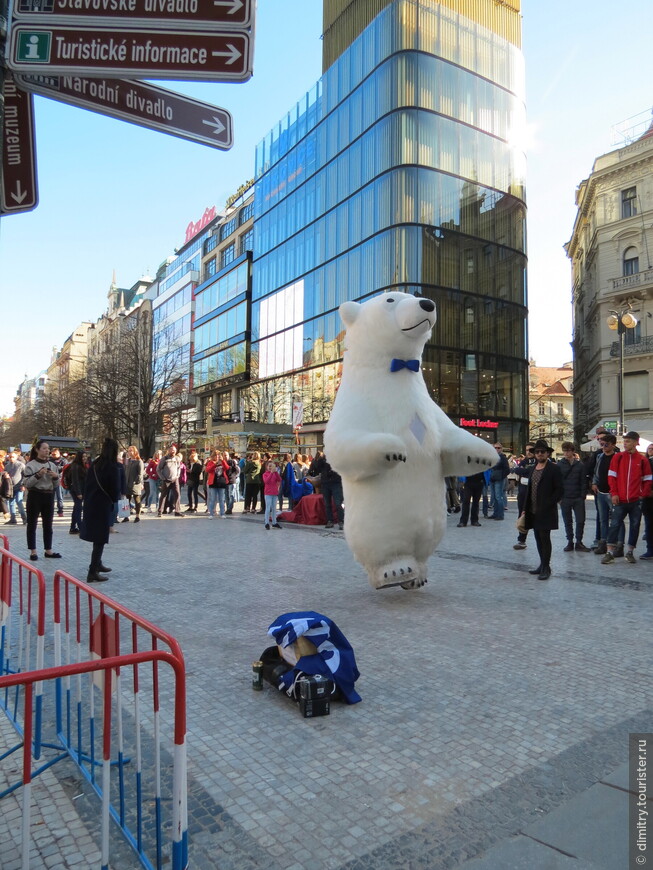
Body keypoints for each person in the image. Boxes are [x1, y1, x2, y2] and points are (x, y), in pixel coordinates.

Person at [601, 431, 652, 564]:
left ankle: (630, 552)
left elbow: (648, 479)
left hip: (636, 500)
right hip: (620, 499)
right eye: (624, 441)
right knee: (615, 525)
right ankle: (609, 552)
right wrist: (614, 493)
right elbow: (611, 477)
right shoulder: (618, 457)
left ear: (636, 442)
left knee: (635, 525)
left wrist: (643, 494)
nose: (625, 444)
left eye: (628, 441)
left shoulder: (642, 460)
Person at [520, 439, 564, 580]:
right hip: (533, 509)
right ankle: (542, 564)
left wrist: (549, 503)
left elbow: (559, 489)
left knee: (545, 538)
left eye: (542, 452)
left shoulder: (554, 468)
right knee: (538, 538)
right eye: (537, 452)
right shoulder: (533, 468)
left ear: (547, 453)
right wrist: (525, 509)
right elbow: (529, 489)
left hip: (546, 510)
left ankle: (546, 567)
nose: (539, 454)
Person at [80, 438, 121, 582]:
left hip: (91, 503)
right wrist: (114, 499)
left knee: (98, 537)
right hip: (103, 505)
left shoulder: (95, 464)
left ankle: (98, 563)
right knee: (100, 538)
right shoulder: (112, 466)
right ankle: (92, 571)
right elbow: (115, 489)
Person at [23, 440, 62, 561]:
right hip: (35, 495)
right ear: (37, 450)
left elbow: (56, 484)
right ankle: (33, 551)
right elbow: (27, 484)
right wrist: (38, 475)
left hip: (49, 495)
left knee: (48, 524)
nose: (47, 450)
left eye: (48, 448)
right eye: (44, 448)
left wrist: (56, 477)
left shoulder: (53, 465)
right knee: (32, 524)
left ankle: (48, 550)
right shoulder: (31, 465)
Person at [591, 433, 624, 556]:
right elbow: (596, 471)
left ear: (613, 445)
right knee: (603, 519)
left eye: (606, 444)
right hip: (601, 492)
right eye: (602, 444)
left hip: (613, 493)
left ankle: (619, 545)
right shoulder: (600, 456)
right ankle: (603, 543)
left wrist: (617, 491)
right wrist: (594, 483)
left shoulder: (618, 457)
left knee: (617, 520)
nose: (603, 446)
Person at [557, 441, 590, 552]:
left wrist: (582, 496)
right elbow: (557, 482)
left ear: (572, 451)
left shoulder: (579, 465)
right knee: (568, 521)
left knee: (580, 520)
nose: (566, 453)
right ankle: (570, 542)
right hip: (565, 497)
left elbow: (583, 481)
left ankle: (579, 541)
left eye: (568, 451)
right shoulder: (560, 465)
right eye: (564, 451)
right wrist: (559, 498)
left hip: (577, 498)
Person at [513, 443, 536, 549]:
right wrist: (526, 471)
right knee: (522, 515)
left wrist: (525, 471)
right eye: (527, 450)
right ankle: (521, 539)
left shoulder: (538, 461)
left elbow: (533, 471)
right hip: (523, 493)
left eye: (531, 450)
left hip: (535, 493)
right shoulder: (524, 461)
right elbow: (517, 470)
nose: (528, 452)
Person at [157, 445, 184, 517]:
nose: (173, 451)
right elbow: (158, 469)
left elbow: (179, 468)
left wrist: (178, 475)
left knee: (177, 494)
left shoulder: (177, 458)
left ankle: (177, 511)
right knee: (163, 495)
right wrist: (162, 478)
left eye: (174, 450)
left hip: (175, 479)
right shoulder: (164, 459)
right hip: (166, 480)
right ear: (168, 451)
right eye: (172, 450)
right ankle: (160, 511)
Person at [4, 449, 27, 525]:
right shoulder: (7, 466)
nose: (11, 458)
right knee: (11, 503)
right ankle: (13, 519)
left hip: (19, 486)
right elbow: (4, 475)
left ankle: (24, 518)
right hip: (10, 487)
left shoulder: (21, 465)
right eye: (10, 457)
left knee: (19, 501)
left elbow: (25, 475)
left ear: (16, 457)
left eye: (13, 457)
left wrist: (23, 485)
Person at [68, 450, 88, 535]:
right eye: (83, 457)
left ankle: (73, 527)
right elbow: (75, 480)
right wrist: (78, 493)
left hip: (81, 490)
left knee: (76, 508)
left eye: (85, 456)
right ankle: (80, 527)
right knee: (78, 508)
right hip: (76, 490)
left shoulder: (82, 465)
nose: (84, 458)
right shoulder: (75, 466)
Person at [488, 443, 509, 520]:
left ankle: (500, 515)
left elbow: (507, 469)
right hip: (493, 478)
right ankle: (495, 513)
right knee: (495, 497)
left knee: (498, 497)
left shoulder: (503, 458)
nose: (497, 449)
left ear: (501, 449)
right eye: (495, 448)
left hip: (498, 479)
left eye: (498, 448)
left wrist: (501, 477)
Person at [125, 446, 144, 523]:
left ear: (135, 452)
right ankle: (126, 516)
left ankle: (137, 516)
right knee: (127, 501)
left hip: (135, 484)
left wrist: (136, 482)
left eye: (131, 451)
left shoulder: (139, 461)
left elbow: (140, 474)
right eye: (128, 451)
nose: (129, 452)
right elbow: (125, 471)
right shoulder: (128, 461)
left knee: (137, 500)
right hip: (127, 484)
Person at [640, 443, 653, 561]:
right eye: (649, 448)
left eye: (652, 448)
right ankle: (650, 550)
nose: (650, 450)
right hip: (647, 500)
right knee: (649, 526)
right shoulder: (644, 463)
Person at [262, 460, 282, 529]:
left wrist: (276, 472)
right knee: (268, 508)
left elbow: (279, 479)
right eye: (269, 466)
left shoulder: (275, 474)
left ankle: (274, 522)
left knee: (274, 508)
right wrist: (271, 473)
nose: (270, 467)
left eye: (272, 466)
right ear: (267, 467)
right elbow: (266, 481)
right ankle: (266, 522)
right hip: (268, 493)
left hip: (274, 493)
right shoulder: (265, 474)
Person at [49, 447, 66, 517]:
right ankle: (50, 510)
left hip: (59, 480)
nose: (53, 456)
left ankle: (60, 510)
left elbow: (65, 469)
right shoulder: (50, 460)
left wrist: (57, 469)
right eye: (52, 454)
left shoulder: (63, 460)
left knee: (60, 497)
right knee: (50, 497)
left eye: (55, 454)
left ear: (58, 453)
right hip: (51, 480)